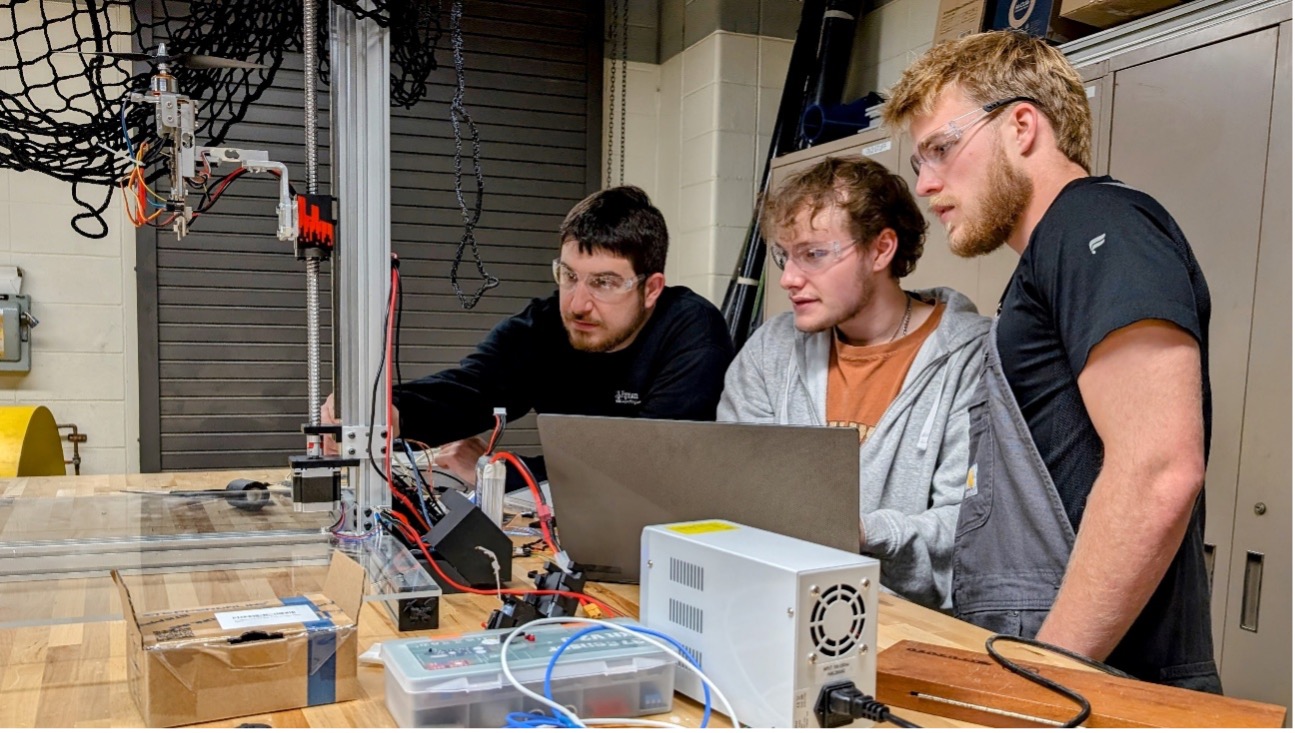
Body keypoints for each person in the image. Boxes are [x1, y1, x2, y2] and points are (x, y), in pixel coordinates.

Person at [882, 30, 1218, 690]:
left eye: (941, 150)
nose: (924, 183)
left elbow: (1157, 470)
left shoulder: (1099, 225)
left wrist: (1039, 679)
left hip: (1102, 684)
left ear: (1021, 126)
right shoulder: (1048, 256)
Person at [323, 185, 735, 488]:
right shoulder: (544, 328)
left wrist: (499, 470)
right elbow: (473, 388)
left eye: (605, 283)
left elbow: (648, 461)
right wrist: (386, 410)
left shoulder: (693, 336)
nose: (577, 304)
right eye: (570, 276)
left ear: (652, 289)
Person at [718, 156, 988, 609]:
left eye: (814, 254)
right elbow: (733, 492)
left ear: (881, 250)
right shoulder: (771, 351)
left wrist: (862, 532)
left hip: (912, 628)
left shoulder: (972, 358)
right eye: (785, 255)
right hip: (773, 605)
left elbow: (967, 525)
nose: (788, 279)